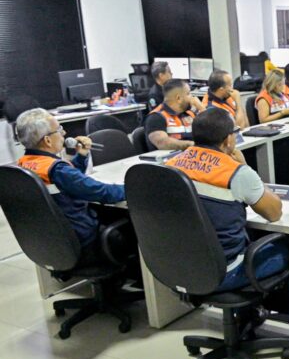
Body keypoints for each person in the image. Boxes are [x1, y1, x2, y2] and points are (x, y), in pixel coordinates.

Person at [165, 107, 289, 353]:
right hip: (223, 273)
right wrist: (246, 168)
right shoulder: (235, 172)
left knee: (246, 239)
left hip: (179, 267)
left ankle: (246, 317)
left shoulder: (170, 166)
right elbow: (274, 212)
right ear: (229, 140)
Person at [15, 108, 127, 262]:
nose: (64, 133)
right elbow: (102, 192)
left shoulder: (23, 164)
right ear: (47, 140)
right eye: (59, 129)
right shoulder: (57, 169)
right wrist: (134, 188)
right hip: (84, 240)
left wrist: (81, 155)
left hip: (51, 240)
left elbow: (68, 182)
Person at [143, 79, 196, 151]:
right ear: (178, 98)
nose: (192, 97)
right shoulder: (155, 117)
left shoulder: (189, 113)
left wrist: (201, 108)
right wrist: (193, 145)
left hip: (193, 155)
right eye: (188, 93)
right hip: (173, 157)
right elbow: (162, 143)